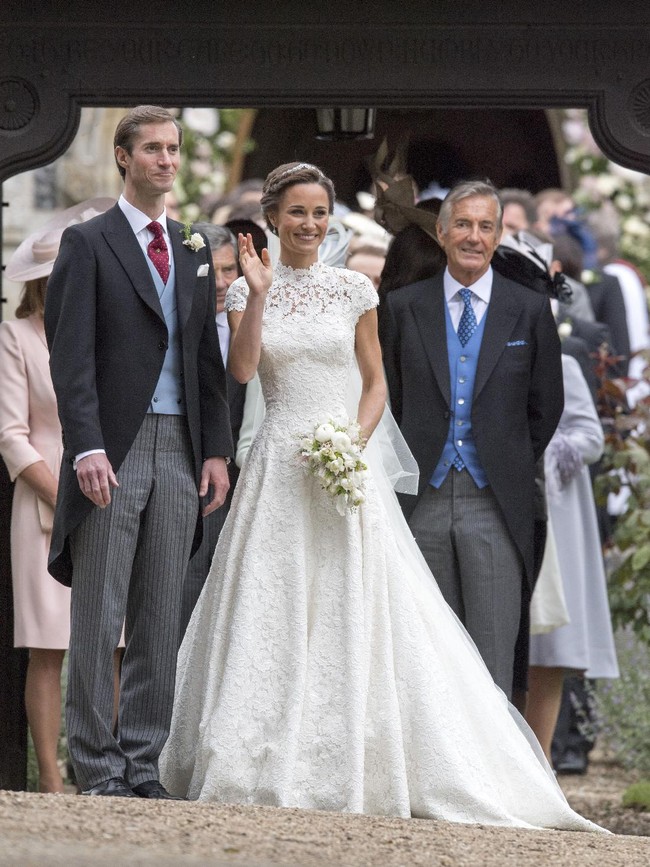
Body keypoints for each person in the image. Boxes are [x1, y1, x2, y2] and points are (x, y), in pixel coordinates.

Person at [159, 161, 601, 832]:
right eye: (297, 212)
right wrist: (251, 292)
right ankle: (264, 752)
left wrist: (350, 442)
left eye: (319, 212)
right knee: (272, 607)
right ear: (274, 218)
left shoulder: (354, 292)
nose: (310, 224)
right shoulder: (252, 290)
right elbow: (243, 371)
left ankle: (374, 753)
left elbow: (375, 384)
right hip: (278, 465)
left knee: (355, 605)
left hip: (342, 464)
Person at [44, 105, 233, 799]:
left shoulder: (191, 245)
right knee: (98, 611)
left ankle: (143, 762)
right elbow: (71, 358)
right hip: (112, 450)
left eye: (173, 149)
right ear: (123, 158)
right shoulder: (86, 243)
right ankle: (95, 767)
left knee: (159, 612)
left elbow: (206, 362)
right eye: (152, 148)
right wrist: (85, 444)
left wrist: (216, 451)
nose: (166, 160)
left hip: (183, 448)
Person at [380, 180, 564, 699]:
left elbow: (545, 405)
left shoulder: (528, 308)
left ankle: (495, 778)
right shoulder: (402, 306)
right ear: (440, 232)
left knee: (491, 650)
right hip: (420, 499)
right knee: (424, 649)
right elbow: (388, 397)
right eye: (462, 224)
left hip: (496, 502)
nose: (473, 237)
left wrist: (509, 460)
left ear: (500, 235)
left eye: (486, 226)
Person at [0, 199, 115, 792]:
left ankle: (105, 773)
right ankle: (50, 779)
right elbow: (12, 437)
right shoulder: (16, 336)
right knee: (48, 648)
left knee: (112, 644)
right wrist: (62, 495)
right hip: (44, 508)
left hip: (111, 500)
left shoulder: (105, 332)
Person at [527, 354, 619, 761]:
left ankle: (542, 760)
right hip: (494, 504)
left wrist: (542, 451)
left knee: (549, 644)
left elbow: (590, 437)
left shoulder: (561, 364)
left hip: (555, 514)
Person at [179, 223, 246, 637]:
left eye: (229, 271)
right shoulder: (177, 325)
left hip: (247, 480)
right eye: (212, 271)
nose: (221, 283)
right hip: (186, 476)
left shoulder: (258, 319)